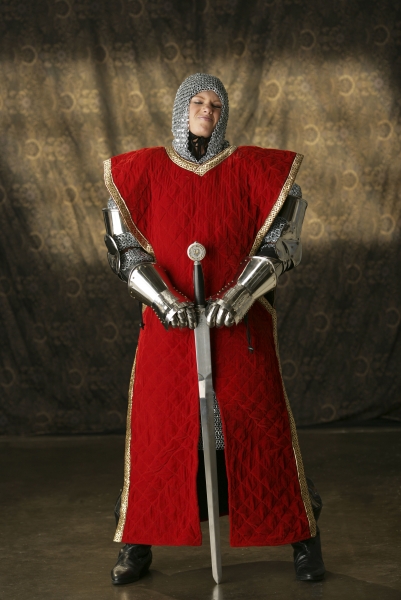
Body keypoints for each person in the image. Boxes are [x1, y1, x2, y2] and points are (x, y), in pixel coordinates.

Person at [102, 73, 325, 586]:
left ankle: (304, 535)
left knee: (260, 431)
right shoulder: (140, 171)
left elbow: (283, 241)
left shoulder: (255, 169)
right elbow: (123, 248)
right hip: (170, 327)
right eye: (198, 101)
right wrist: (165, 300)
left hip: (238, 324)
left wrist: (241, 293)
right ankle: (136, 542)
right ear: (181, 109)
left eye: (216, 104)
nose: (207, 110)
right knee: (161, 435)